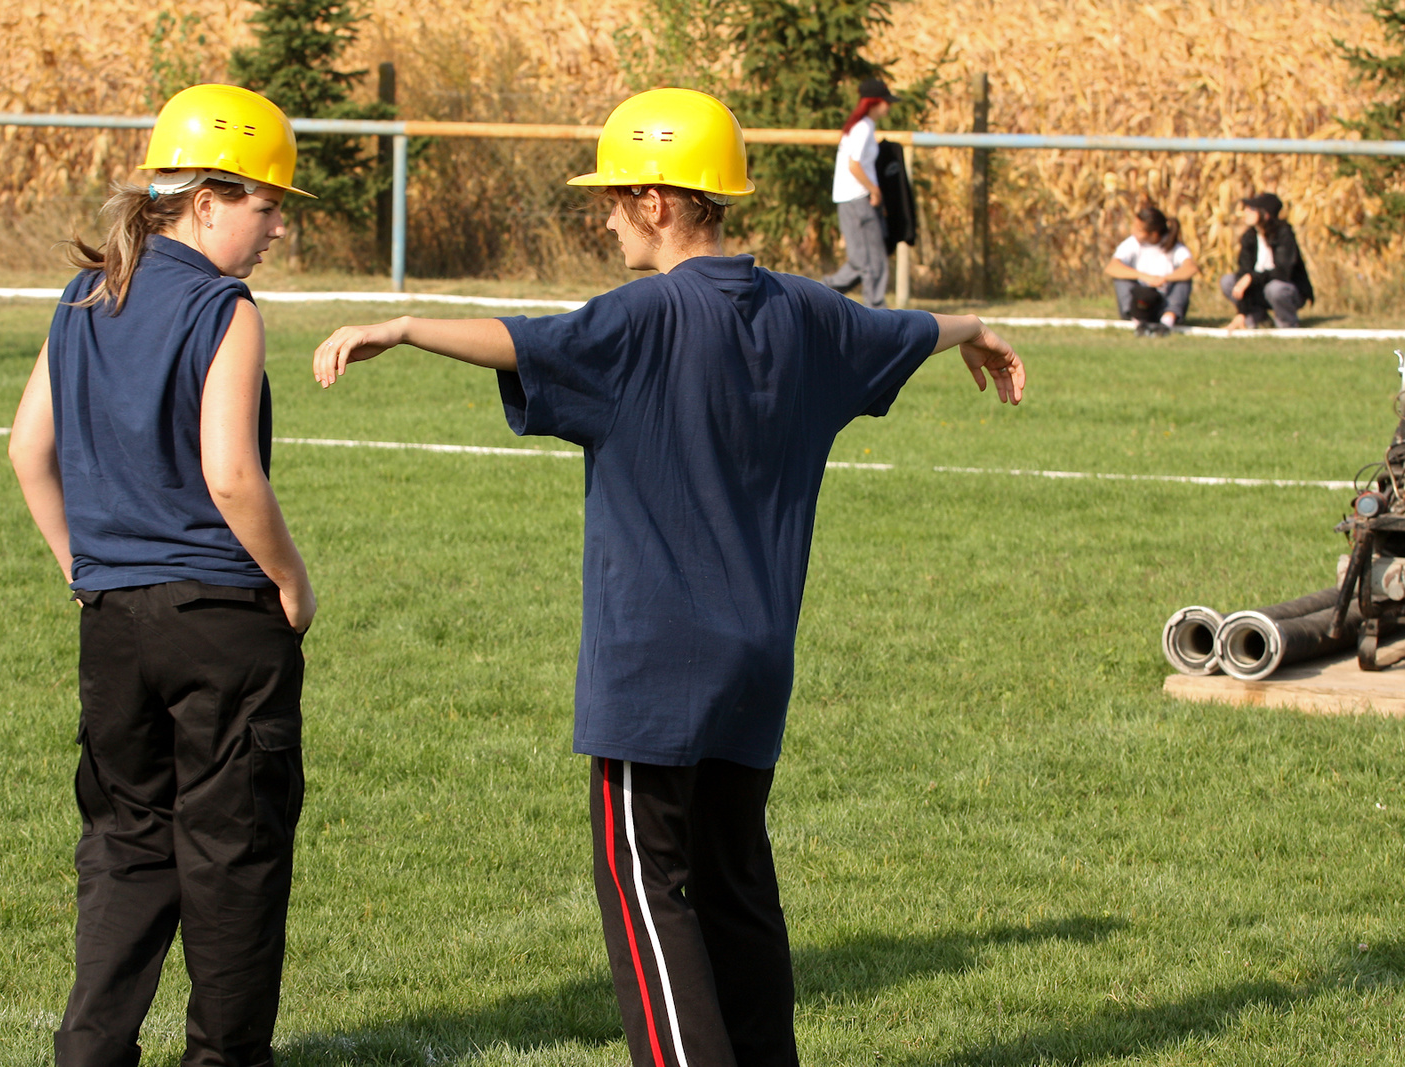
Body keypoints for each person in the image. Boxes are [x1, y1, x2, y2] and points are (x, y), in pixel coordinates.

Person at [310, 87, 1024, 1067]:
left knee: (645, 885)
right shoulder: (810, 313)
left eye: (612, 197)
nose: (602, 215)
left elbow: (524, 339)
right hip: (757, 665)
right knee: (734, 881)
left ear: (659, 201)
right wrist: (973, 325)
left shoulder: (640, 317)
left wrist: (400, 326)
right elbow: (905, 329)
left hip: (654, 673)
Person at [8, 83, 317, 1067]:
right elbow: (231, 472)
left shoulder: (84, 293)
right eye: (267, 206)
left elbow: (26, 449)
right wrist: (293, 578)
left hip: (115, 624)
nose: (275, 229)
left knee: (128, 844)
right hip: (222, 621)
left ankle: (89, 1049)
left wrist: (82, 565)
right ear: (209, 197)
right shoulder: (225, 307)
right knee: (234, 857)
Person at [821, 77, 899, 308]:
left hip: (853, 199)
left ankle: (817, 292)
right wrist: (874, 190)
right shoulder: (863, 128)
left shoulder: (860, 126)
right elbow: (854, 164)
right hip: (857, 199)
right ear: (875, 102)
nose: (889, 106)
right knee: (871, 261)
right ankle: (877, 310)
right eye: (886, 101)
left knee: (861, 261)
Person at [1220, 192, 1315, 329]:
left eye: (1252, 209)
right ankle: (1257, 317)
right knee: (1228, 281)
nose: (1246, 212)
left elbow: (1282, 272)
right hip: (1259, 290)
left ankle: (1287, 323)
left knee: (1275, 289)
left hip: (1287, 291)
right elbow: (1243, 272)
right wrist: (1242, 311)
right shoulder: (1249, 237)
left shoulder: (1284, 234)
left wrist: (1251, 278)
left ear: (1266, 214)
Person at [1103, 204, 1198, 336]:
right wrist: (1145, 277)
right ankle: (1138, 321)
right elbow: (1112, 267)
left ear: (1153, 234)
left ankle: (1167, 321)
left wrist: (1164, 279)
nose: (1133, 232)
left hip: (1164, 302)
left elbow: (1191, 268)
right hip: (1141, 300)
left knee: (1184, 280)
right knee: (1121, 277)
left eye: (1139, 230)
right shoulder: (1132, 243)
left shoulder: (1173, 246)